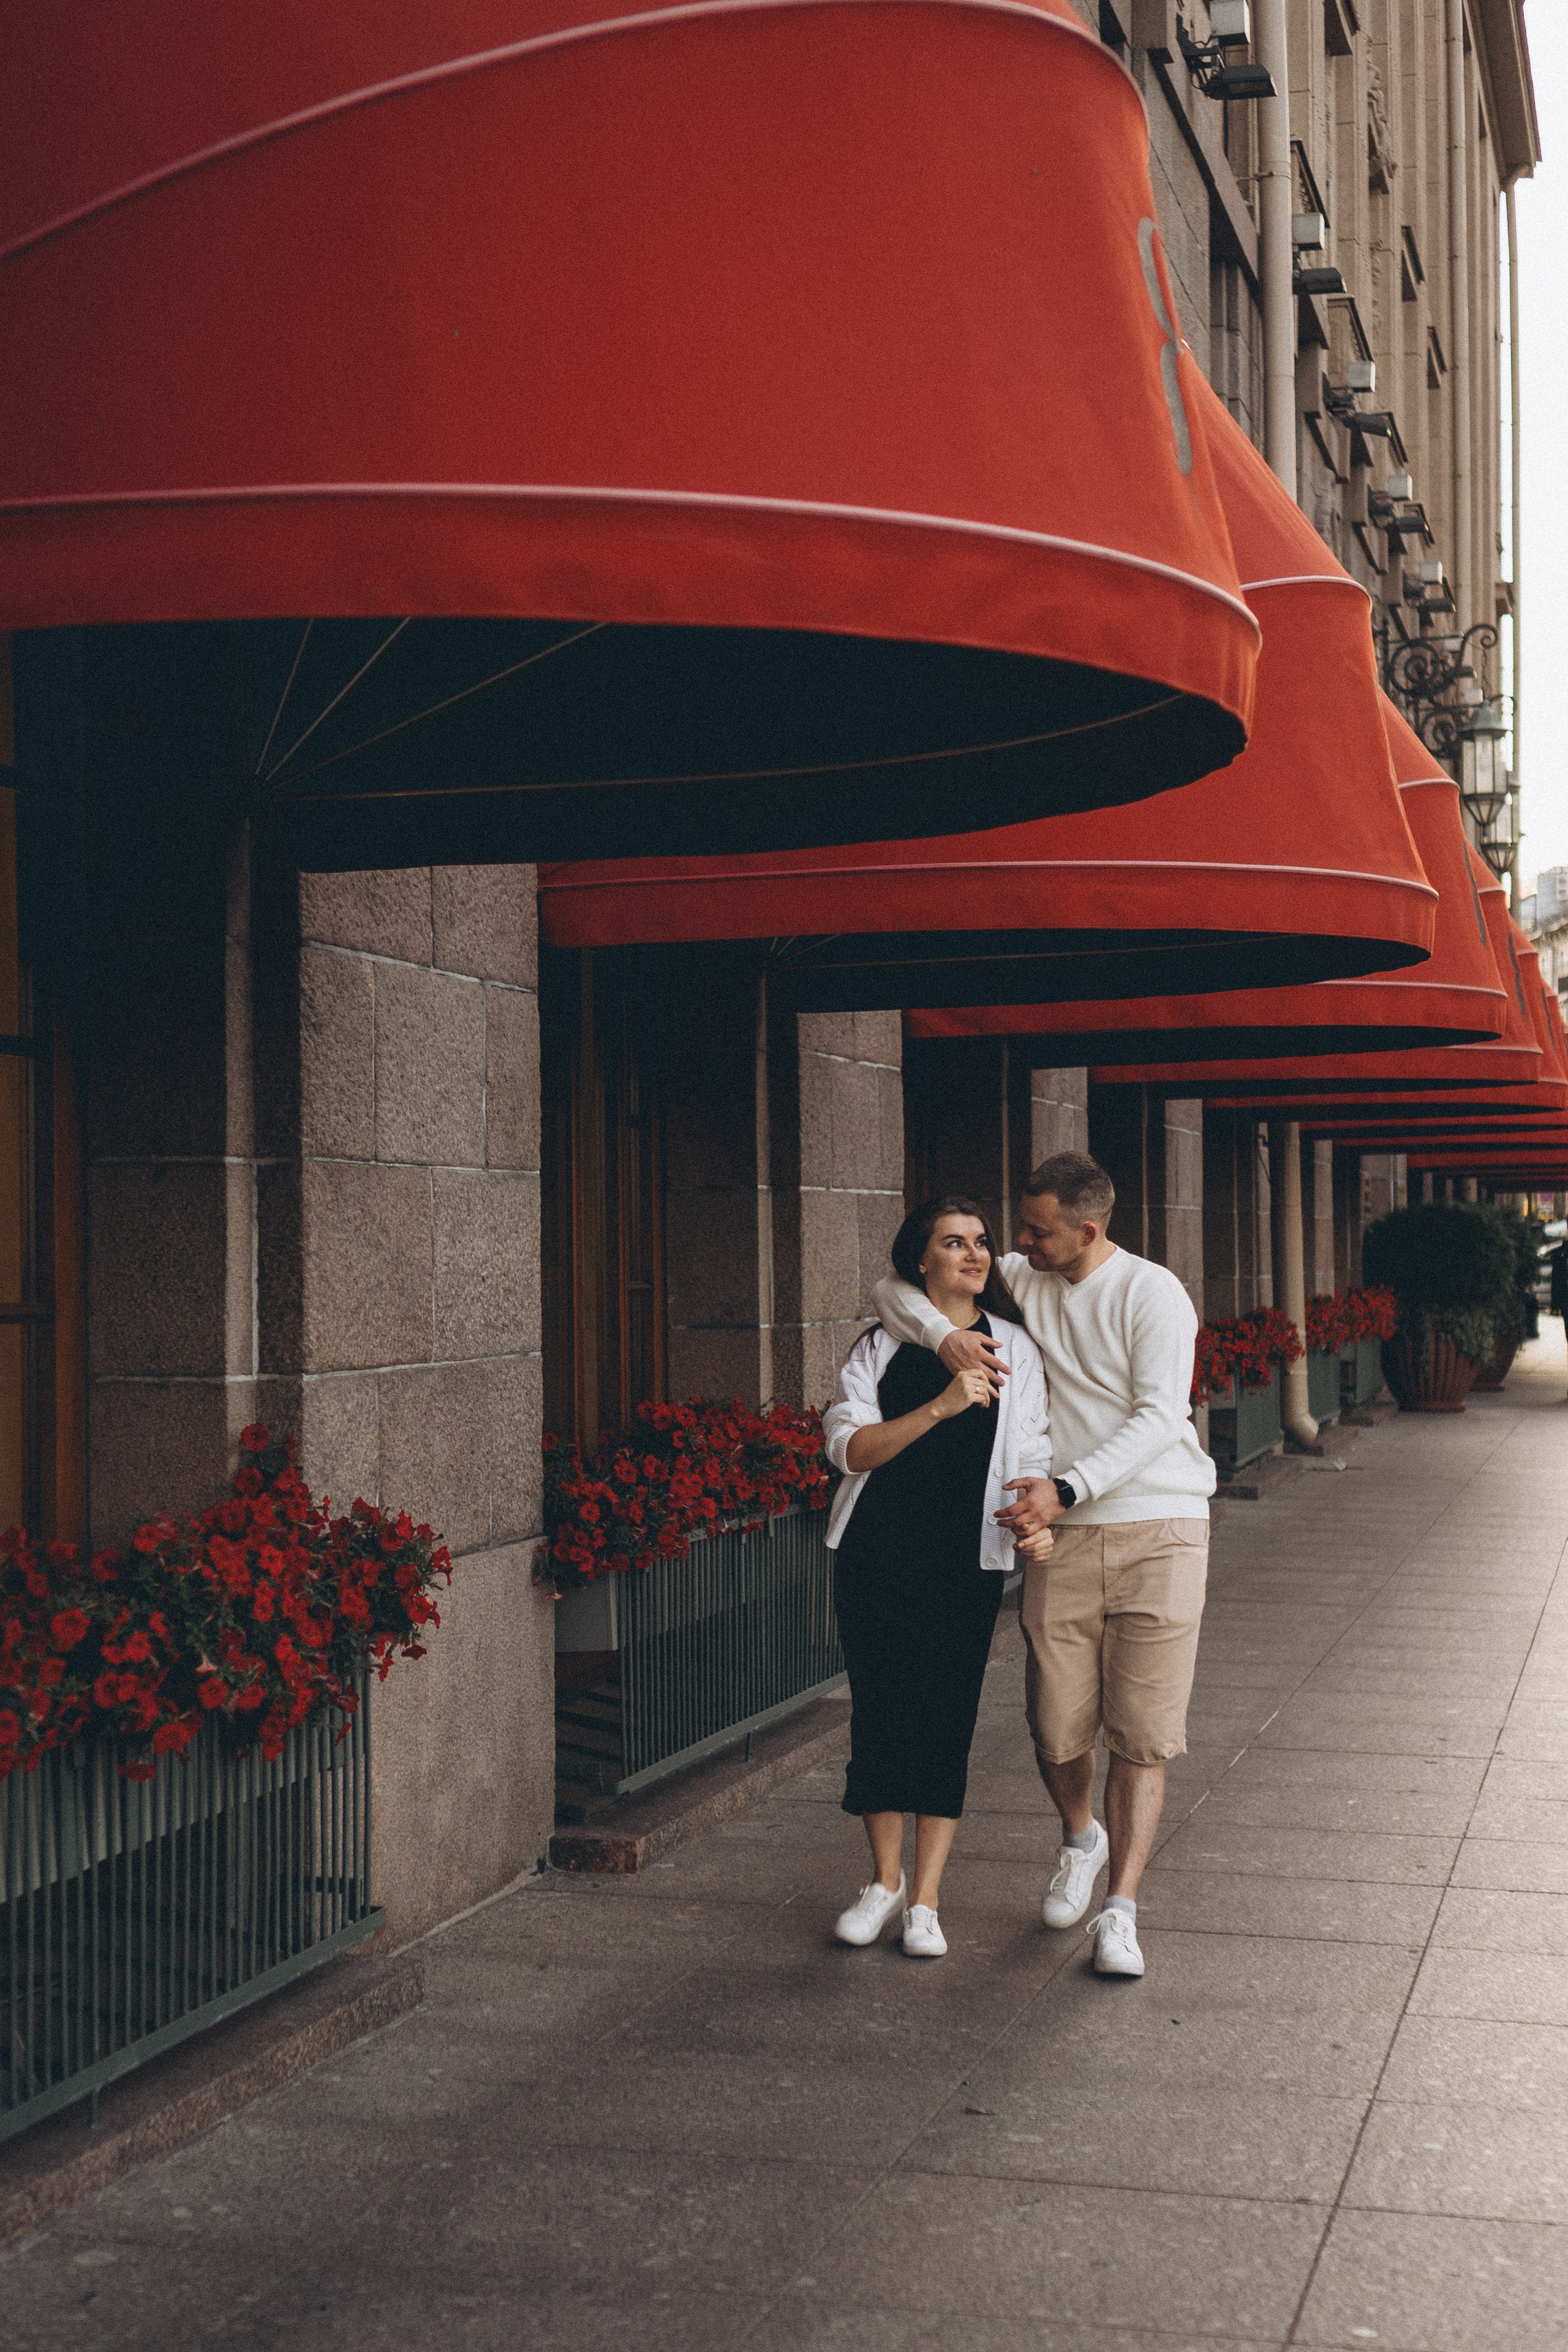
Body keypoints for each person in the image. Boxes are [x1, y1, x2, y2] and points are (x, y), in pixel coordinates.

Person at [874, 1152, 1214, 1980]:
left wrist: (1066, 1487)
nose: (1016, 1247)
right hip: (1061, 1534)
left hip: (1160, 1525)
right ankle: (1079, 1836)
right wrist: (945, 1336)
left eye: (1036, 1232)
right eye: (1018, 1231)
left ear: (1087, 1232)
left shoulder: (1153, 1294)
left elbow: (1159, 1415)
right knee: (1056, 1726)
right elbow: (891, 1290)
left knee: (1141, 1733)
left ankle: (1120, 1910)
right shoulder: (1028, 1278)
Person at [823, 1197, 1052, 1960]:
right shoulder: (879, 1346)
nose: (974, 1254)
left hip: (964, 1561)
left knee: (946, 1717)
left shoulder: (1014, 1346)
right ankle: (883, 1883)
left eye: (981, 1242)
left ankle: (925, 1901)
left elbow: (1030, 1451)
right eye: (954, 1243)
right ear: (920, 1260)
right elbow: (848, 1450)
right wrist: (942, 1406)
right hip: (876, 1554)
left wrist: (1035, 1518)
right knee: (881, 1714)